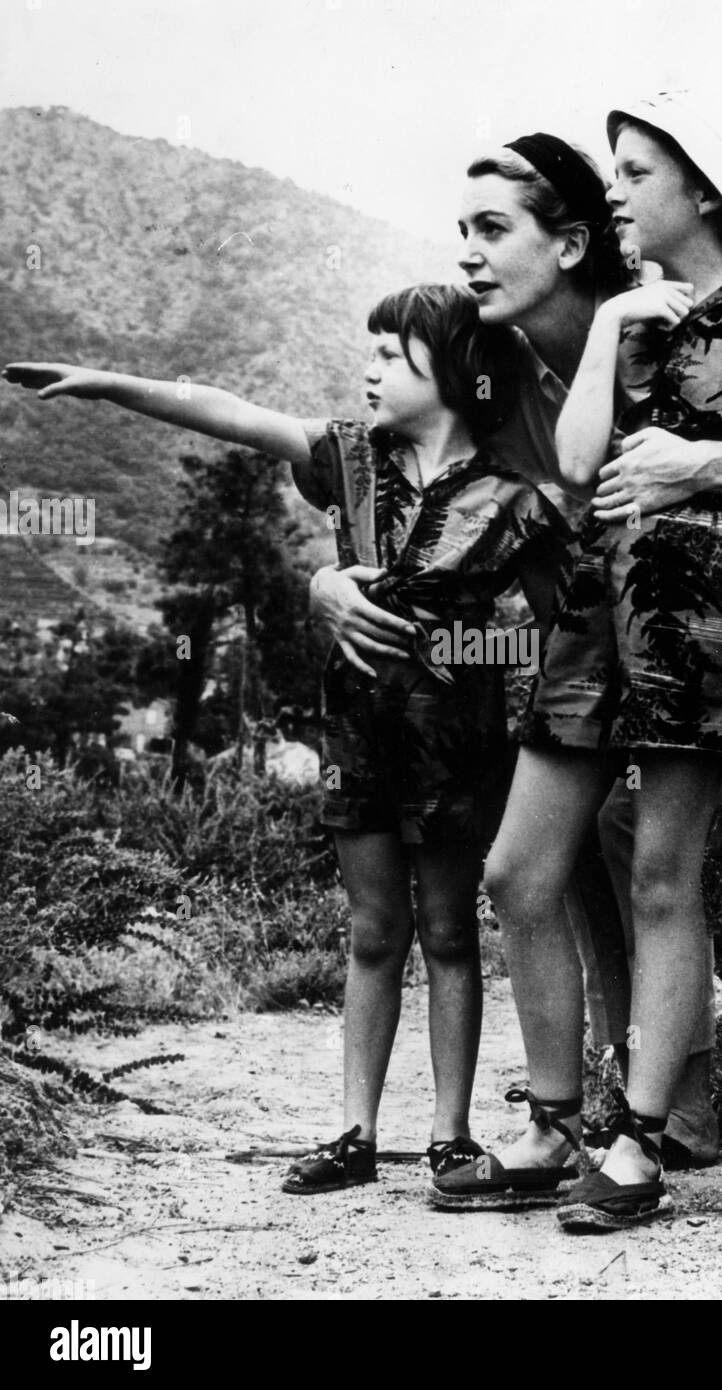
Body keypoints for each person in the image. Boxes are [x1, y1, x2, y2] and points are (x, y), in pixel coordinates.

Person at [311, 131, 722, 1196]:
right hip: (598, 623)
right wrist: (326, 581)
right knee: (543, 859)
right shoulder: (494, 363)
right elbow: (379, 461)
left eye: (492, 231)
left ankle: (661, 1111)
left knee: (640, 846)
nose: (469, 257)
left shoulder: (682, 310)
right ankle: (575, 1113)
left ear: (565, 244)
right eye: (461, 233)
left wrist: (699, 461)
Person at [3, 283, 574, 1194]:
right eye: (371, 349)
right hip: (356, 730)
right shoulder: (350, 458)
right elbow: (229, 414)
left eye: (394, 352)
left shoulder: (513, 495)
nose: (371, 367)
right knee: (374, 928)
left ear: (463, 374)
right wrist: (109, 382)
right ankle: (353, 1132)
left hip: (459, 742)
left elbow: (561, 626)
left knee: (450, 933)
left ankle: (450, 1135)